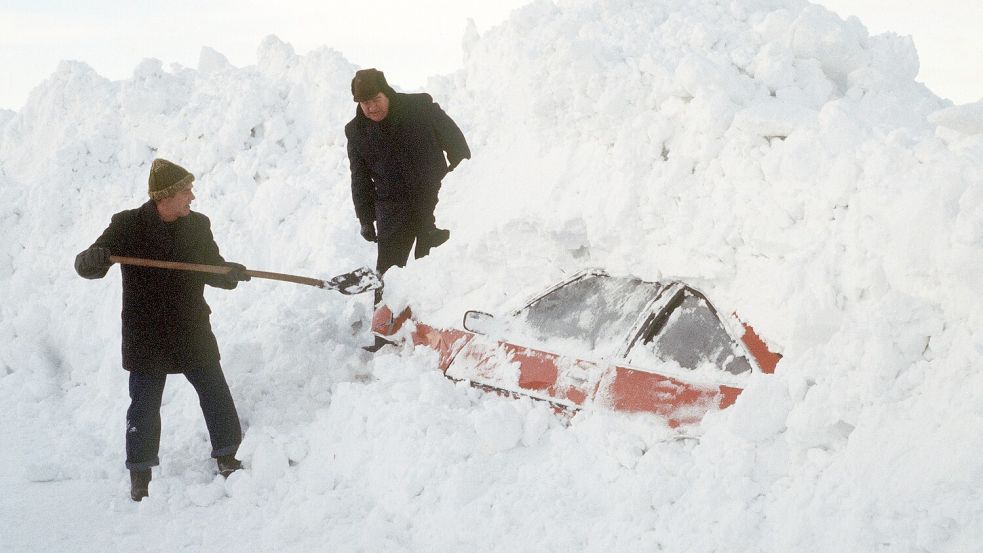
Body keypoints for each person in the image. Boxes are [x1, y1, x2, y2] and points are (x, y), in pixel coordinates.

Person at [74, 158, 250, 502]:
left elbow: (210, 268)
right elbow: (90, 263)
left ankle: (228, 455)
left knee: (214, 390)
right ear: (165, 197)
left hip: (190, 325)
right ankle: (140, 475)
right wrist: (89, 260)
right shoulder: (128, 225)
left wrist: (227, 273)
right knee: (144, 403)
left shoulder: (198, 225)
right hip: (147, 331)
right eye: (186, 191)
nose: (192, 197)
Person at [345, 68, 471, 275]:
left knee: (435, 269)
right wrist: (365, 219)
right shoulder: (356, 131)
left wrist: (459, 183)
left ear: (387, 93)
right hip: (392, 208)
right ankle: (387, 307)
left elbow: (456, 143)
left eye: (376, 99)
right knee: (388, 278)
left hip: (434, 200)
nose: (371, 107)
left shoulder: (419, 107)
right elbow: (360, 178)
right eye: (365, 103)